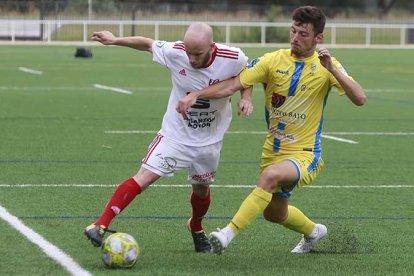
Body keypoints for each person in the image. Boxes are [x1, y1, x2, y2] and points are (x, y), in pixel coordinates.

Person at [177, 6, 366, 255]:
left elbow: (360, 98)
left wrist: (331, 69)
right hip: (273, 151)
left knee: (269, 178)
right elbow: (234, 84)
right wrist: (197, 95)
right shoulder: (271, 60)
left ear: (318, 38)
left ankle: (226, 234)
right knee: (274, 213)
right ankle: (313, 232)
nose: (295, 38)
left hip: (305, 153)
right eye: (293, 31)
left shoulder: (327, 66)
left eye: (303, 34)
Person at [84, 22, 253, 253]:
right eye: (188, 52)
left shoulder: (233, 57)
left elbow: (247, 76)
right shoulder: (175, 52)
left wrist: (247, 97)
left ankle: (195, 226)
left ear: (212, 47)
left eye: (197, 54)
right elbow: (148, 44)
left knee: (201, 190)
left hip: (210, 140)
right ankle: (100, 224)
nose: (191, 59)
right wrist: (115, 40)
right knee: (144, 177)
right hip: (176, 135)